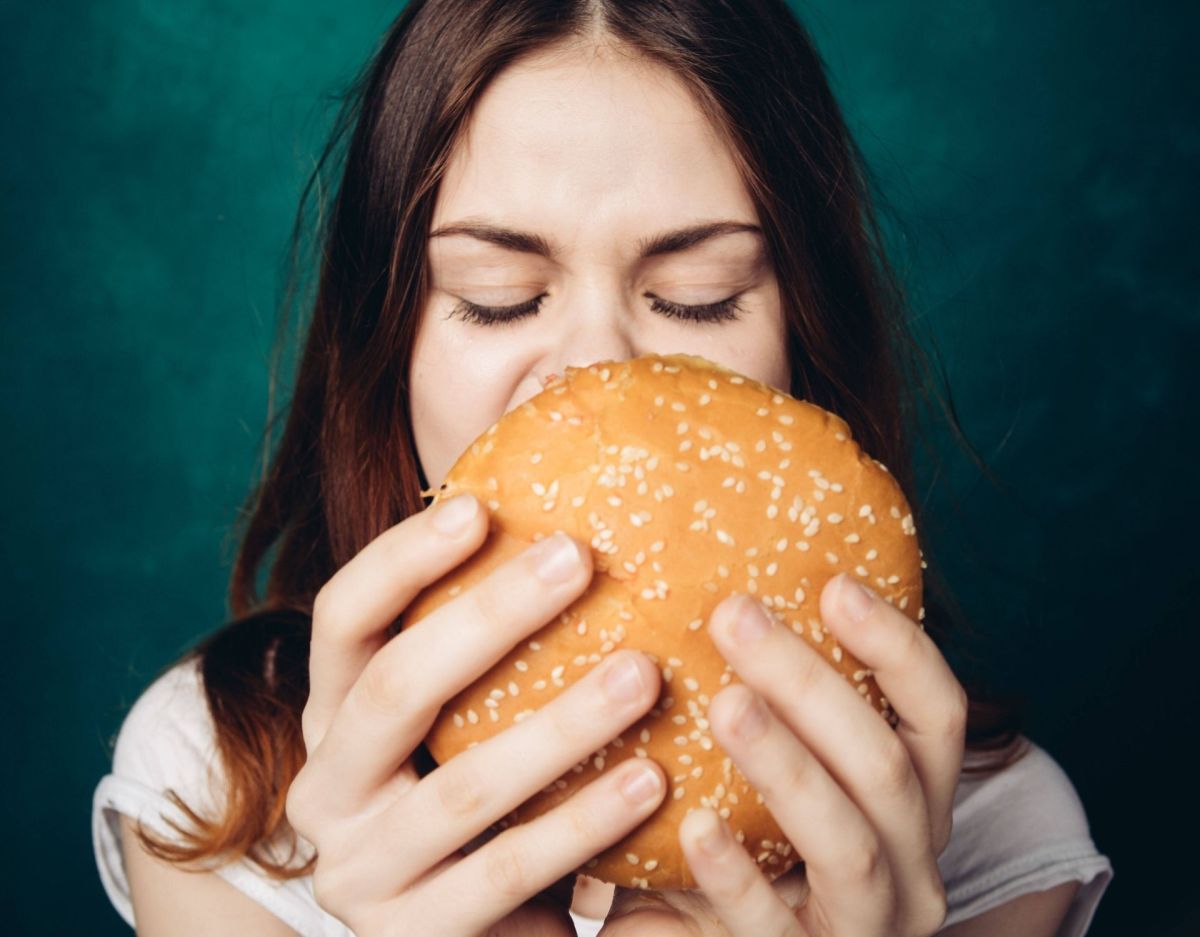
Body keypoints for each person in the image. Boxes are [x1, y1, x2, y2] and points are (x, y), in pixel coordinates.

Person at [91, 1, 1113, 934]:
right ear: (384, 349)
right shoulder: (213, 781)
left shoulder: (996, 836)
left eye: (700, 295)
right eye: (496, 296)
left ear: (804, 338)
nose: (600, 378)